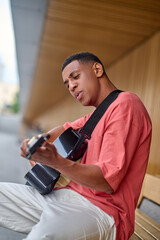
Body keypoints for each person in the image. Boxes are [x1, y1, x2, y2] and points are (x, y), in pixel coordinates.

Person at [0, 52, 152, 240]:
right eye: (67, 84)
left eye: (75, 77)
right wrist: (36, 143)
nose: (71, 86)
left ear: (97, 69)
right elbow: (61, 130)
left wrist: (55, 161)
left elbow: (105, 182)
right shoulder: (96, 116)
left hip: (104, 213)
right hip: (67, 197)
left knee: (41, 237)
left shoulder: (126, 104)